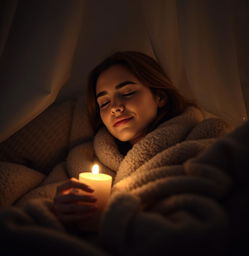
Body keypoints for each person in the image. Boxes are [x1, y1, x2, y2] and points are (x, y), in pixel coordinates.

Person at [53, 51, 229, 233]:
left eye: (127, 93)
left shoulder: (204, 139)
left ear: (159, 97)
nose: (115, 108)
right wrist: (62, 210)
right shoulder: (83, 159)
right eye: (104, 103)